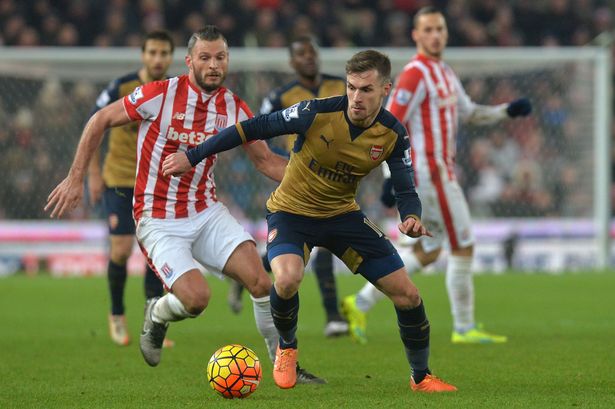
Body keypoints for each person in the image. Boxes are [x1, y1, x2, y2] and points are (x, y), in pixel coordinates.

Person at [162, 49, 457, 392]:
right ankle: (287, 349)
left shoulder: (392, 133)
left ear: (385, 89)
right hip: (291, 213)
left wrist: (410, 217)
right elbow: (252, 127)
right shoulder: (315, 112)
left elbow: (406, 189)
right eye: (351, 88)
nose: (356, 97)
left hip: (342, 215)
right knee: (287, 280)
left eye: (366, 90)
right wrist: (193, 155)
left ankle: (421, 377)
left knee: (408, 294)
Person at [45, 25, 324, 384]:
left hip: (206, 211)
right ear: (190, 61)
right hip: (157, 218)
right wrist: (75, 177)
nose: (213, 65)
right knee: (196, 299)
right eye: (205, 58)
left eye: (220, 57)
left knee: (260, 281)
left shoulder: (233, 106)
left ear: (227, 61)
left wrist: (316, 182)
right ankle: (157, 314)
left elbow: (266, 161)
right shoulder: (159, 94)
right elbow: (99, 120)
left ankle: (284, 367)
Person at [342, 6, 532, 345]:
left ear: (445, 33)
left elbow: (469, 113)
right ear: (416, 35)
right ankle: (463, 328)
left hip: (442, 173)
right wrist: (390, 177)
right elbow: (390, 122)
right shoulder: (415, 74)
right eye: (427, 29)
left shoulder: (444, 72)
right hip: (430, 175)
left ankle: (360, 302)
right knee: (463, 245)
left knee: (429, 251)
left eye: (439, 29)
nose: (434, 35)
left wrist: (506, 111)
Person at [227, 35, 349, 338]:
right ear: (292, 63)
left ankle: (250, 271)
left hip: (337, 177)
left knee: (316, 244)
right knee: (317, 244)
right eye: (301, 54)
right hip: (299, 179)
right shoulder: (281, 96)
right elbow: (259, 133)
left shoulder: (342, 87)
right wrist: (285, 163)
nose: (308, 58)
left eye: (311, 53)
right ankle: (334, 316)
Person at [87, 30, 175, 347]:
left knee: (156, 254)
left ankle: (152, 323)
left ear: (171, 57)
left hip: (156, 183)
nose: (157, 59)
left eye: (164, 53)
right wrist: (93, 174)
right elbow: (95, 123)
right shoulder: (121, 87)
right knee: (121, 250)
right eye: (152, 52)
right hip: (121, 179)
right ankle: (116, 315)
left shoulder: (175, 91)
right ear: (143, 54)